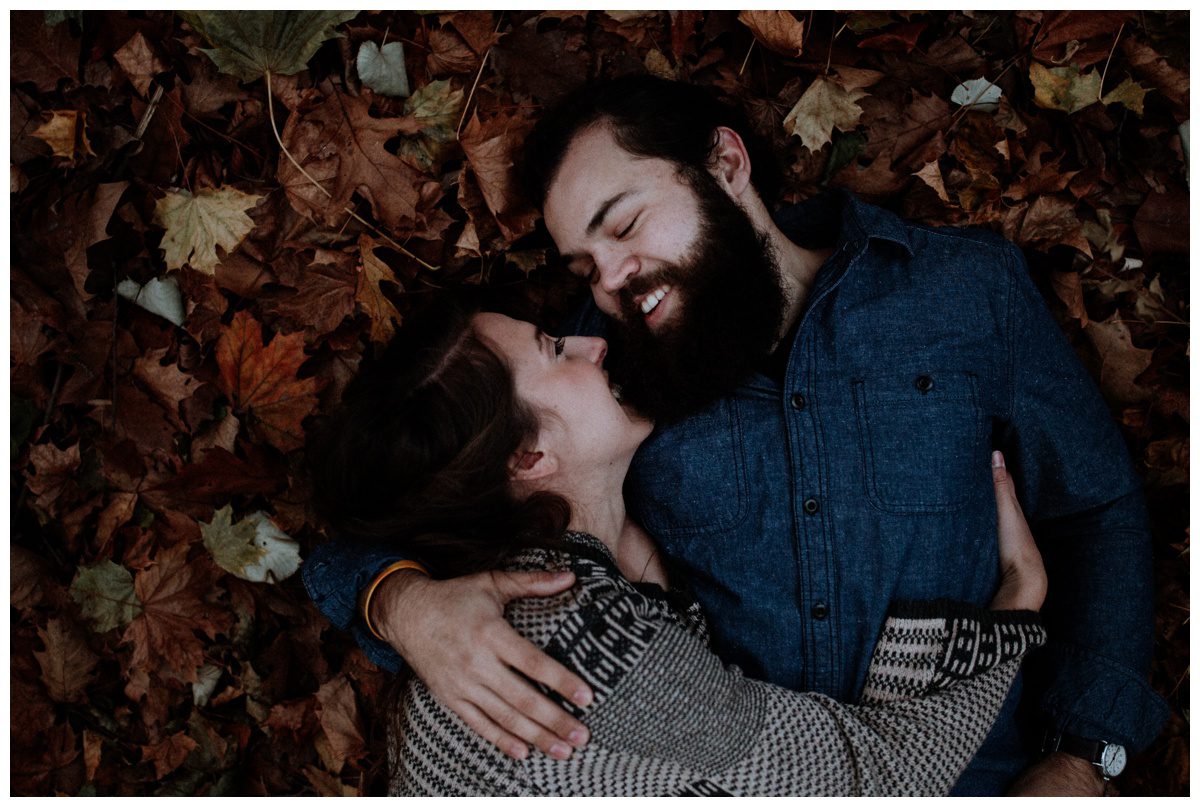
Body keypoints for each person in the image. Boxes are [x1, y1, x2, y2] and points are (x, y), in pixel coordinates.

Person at [302, 75, 1165, 795]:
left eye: (624, 224)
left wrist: (1085, 757)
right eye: (581, 267)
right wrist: (404, 603)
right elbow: (407, 502)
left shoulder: (961, 290)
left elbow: (1098, 507)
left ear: (724, 163)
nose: (609, 285)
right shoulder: (605, 379)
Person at [306, 304, 1048, 796]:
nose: (593, 342)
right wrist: (1016, 601)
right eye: (556, 349)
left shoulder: (506, 584)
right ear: (529, 459)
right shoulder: (593, 641)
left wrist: (398, 598)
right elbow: (875, 780)